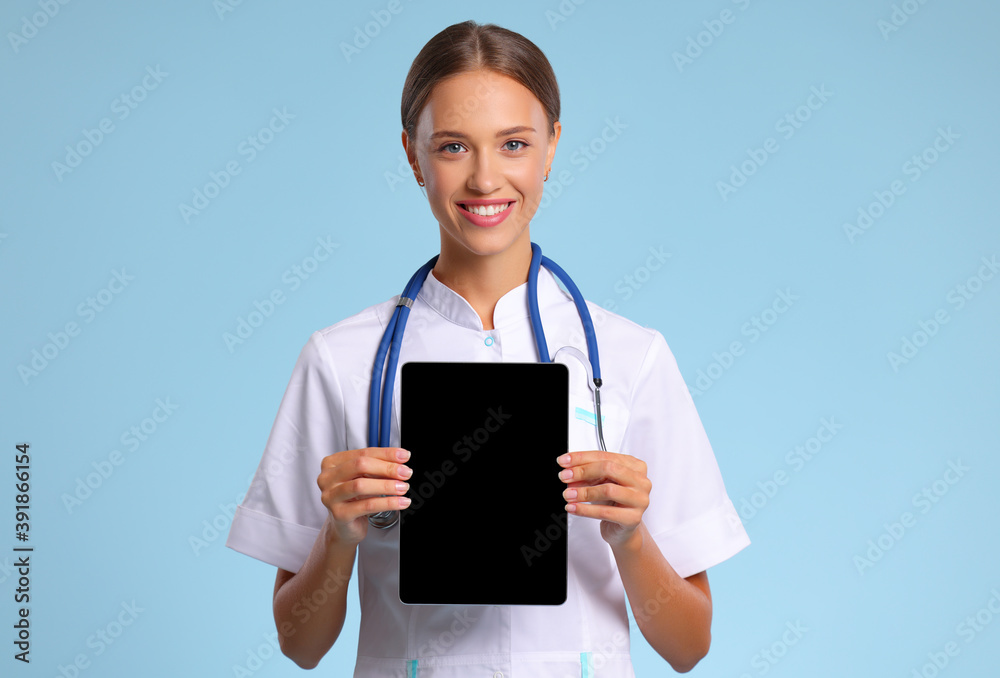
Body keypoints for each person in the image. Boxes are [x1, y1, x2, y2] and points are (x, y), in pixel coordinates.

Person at [225, 19, 750, 677]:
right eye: (451, 146)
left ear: (551, 148)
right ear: (412, 157)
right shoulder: (342, 358)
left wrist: (630, 538)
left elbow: (688, 646)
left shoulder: (630, 356)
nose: (484, 178)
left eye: (513, 144)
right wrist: (338, 537)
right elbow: (300, 646)